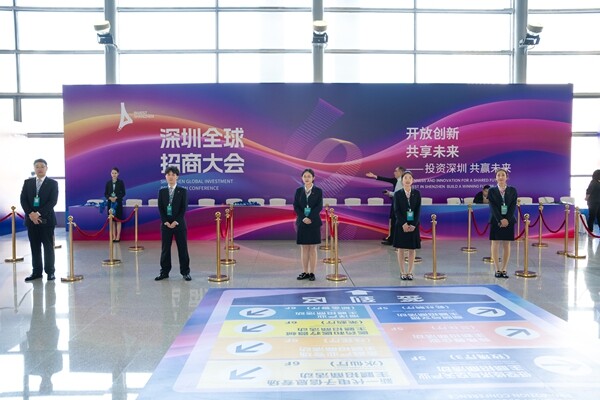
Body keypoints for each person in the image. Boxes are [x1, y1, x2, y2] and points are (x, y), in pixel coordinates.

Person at [20, 159, 58, 282]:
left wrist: (38, 214)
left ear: (46, 168)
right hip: (31, 220)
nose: (40, 169)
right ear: (34, 168)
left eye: (42, 166)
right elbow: (23, 200)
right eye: (37, 166)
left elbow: (52, 202)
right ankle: (36, 272)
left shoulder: (52, 183)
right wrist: (31, 214)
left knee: (48, 247)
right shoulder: (28, 182)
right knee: (34, 247)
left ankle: (50, 272)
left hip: (46, 220)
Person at [155, 166, 191, 281]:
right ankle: (164, 272)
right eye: (168, 175)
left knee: (182, 249)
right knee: (165, 249)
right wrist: (165, 221)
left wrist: (176, 221)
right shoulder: (162, 191)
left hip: (179, 225)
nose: (171, 177)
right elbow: (160, 208)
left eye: (173, 175)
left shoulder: (182, 191)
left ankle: (185, 272)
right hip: (166, 225)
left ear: (177, 177)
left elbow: (183, 208)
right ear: (165, 177)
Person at [294, 168, 323, 281]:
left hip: (314, 222)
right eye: (305, 176)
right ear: (302, 178)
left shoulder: (318, 191)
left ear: (313, 178)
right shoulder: (298, 191)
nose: (306, 178)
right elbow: (296, 206)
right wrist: (303, 218)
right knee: (304, 248)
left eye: (309, 176)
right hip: (302, 223)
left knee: (312, 248)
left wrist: (310, 217)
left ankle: (312, 273)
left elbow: (319, 207)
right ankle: (305, 272)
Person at [488, 168, 518, 278]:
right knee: (495, 244)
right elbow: (493, 207)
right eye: (498, 175)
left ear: (507, 177)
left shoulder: (512, 190)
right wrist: (500, 219)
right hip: (496, 220)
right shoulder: (492, 191)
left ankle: (504, 269)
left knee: (506, 244)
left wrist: (507, 220)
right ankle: (497, 269)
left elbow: (513, 206)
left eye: (503, 175)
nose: (501, 177)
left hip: (509, 221)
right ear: (495, 178)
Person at [365, 166, 406, 245]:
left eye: (396, 171)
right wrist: (374, 176)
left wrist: (389, 193)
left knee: (396, 222)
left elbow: (399, 194)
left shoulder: (403, 181)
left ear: (401, 172)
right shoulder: (396, 180)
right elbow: (386, 179)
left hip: (399, 205)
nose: (394, 172)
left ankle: (393, 240)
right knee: (393, 221)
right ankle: (392, 238)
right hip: (395, 203)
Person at [393, 171, 421, 280]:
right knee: (400, 249)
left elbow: (418, 210)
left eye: (410, 178)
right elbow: (396, 210)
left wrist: (413, 224)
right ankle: (402, 272)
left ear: (412, 181)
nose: (408, 180)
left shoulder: (417, 193)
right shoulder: (397, 194)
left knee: (412, 249)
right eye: (405, 178)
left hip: (413, 224)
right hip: (401, 225)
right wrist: (403, 223)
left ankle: (409, 272)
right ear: (402, 181)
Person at [104, 167, 126, 242]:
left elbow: (123, 193)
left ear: (118, 174)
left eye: (115, 173)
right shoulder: (108, 183)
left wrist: (116, 197)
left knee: (118, 220)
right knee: (112, 221)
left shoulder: (121, 182)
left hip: (118, 203)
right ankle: (113, 236)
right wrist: (109, 198)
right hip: (110, 204)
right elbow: (105, 194)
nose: (114, 174)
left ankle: (118, 237)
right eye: (112, 173)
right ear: (111, 174)